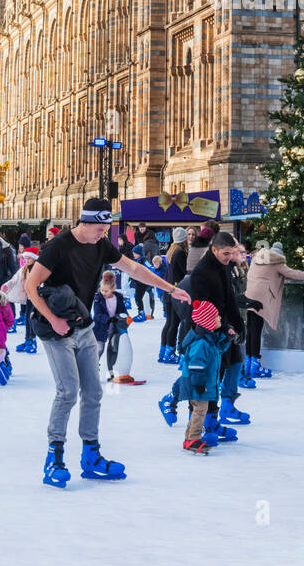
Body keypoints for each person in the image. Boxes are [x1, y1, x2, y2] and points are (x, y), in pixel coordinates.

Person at [24, 198, 191, 488]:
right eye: (101, 228)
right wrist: (53, 319)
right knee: (67, 392)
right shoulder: (58, 246)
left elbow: (134, 269)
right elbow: (30, 286)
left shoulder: (100, 245)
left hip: (84, 327)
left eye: (106, 228)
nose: (105, 233)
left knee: (93, 392)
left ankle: (91, 456)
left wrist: (171, 288)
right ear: (85, 222)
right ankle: (55, 458)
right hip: (56, 329)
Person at [188, 231, 251, 431]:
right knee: (209, 377)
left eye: (231, 253)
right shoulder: (201, 272)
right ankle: (205, 422)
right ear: (213, 249)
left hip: (224, 330)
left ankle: (222, 412)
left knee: (234, 364)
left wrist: (239, 324)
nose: (229, 257)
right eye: (226, 253)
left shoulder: (224, 266)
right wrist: (223, 327)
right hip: (207, 332)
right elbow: (201, 309)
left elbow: (229, 298)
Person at [244, 241, 304, 380]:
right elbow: (292, 273)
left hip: (250, 294)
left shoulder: (257, 258)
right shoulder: (277, 262)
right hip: (261, 298)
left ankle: (248, 363)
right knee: (256, 330)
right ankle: (254, 364)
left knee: (250, 329)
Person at [176, 300, 233, 455]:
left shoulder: (208, 340)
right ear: (208, 322)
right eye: (216, 316)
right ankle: (193, 439)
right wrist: (199, 384)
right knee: (200, 410)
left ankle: (189, 438)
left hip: (201, 384)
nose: (219, 318)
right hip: (198, 384)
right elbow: (196, 365)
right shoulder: (201, 343)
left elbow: (217, 351)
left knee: (198, 410)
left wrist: (227, 339)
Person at [158, 229, 188, 363]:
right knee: (174, 323)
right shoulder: (180, 252)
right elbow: (184, 271)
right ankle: (170, 352)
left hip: (169, 290)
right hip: (176, 291)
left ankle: (163, 351)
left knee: (169, 322)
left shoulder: (171, 251)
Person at [92, 271, 129, 372]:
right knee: (99, 349)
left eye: (106, 291)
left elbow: (123, 310)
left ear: (112, 289)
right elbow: (97, 315)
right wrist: (108, 319)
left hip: (115, 327)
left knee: (115, 348)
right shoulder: (98, 298)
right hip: (101, 327)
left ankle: (113, 369)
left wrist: (126, 318)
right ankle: (94, 367)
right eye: (102, 290)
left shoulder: (119, 297)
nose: (103, 293)